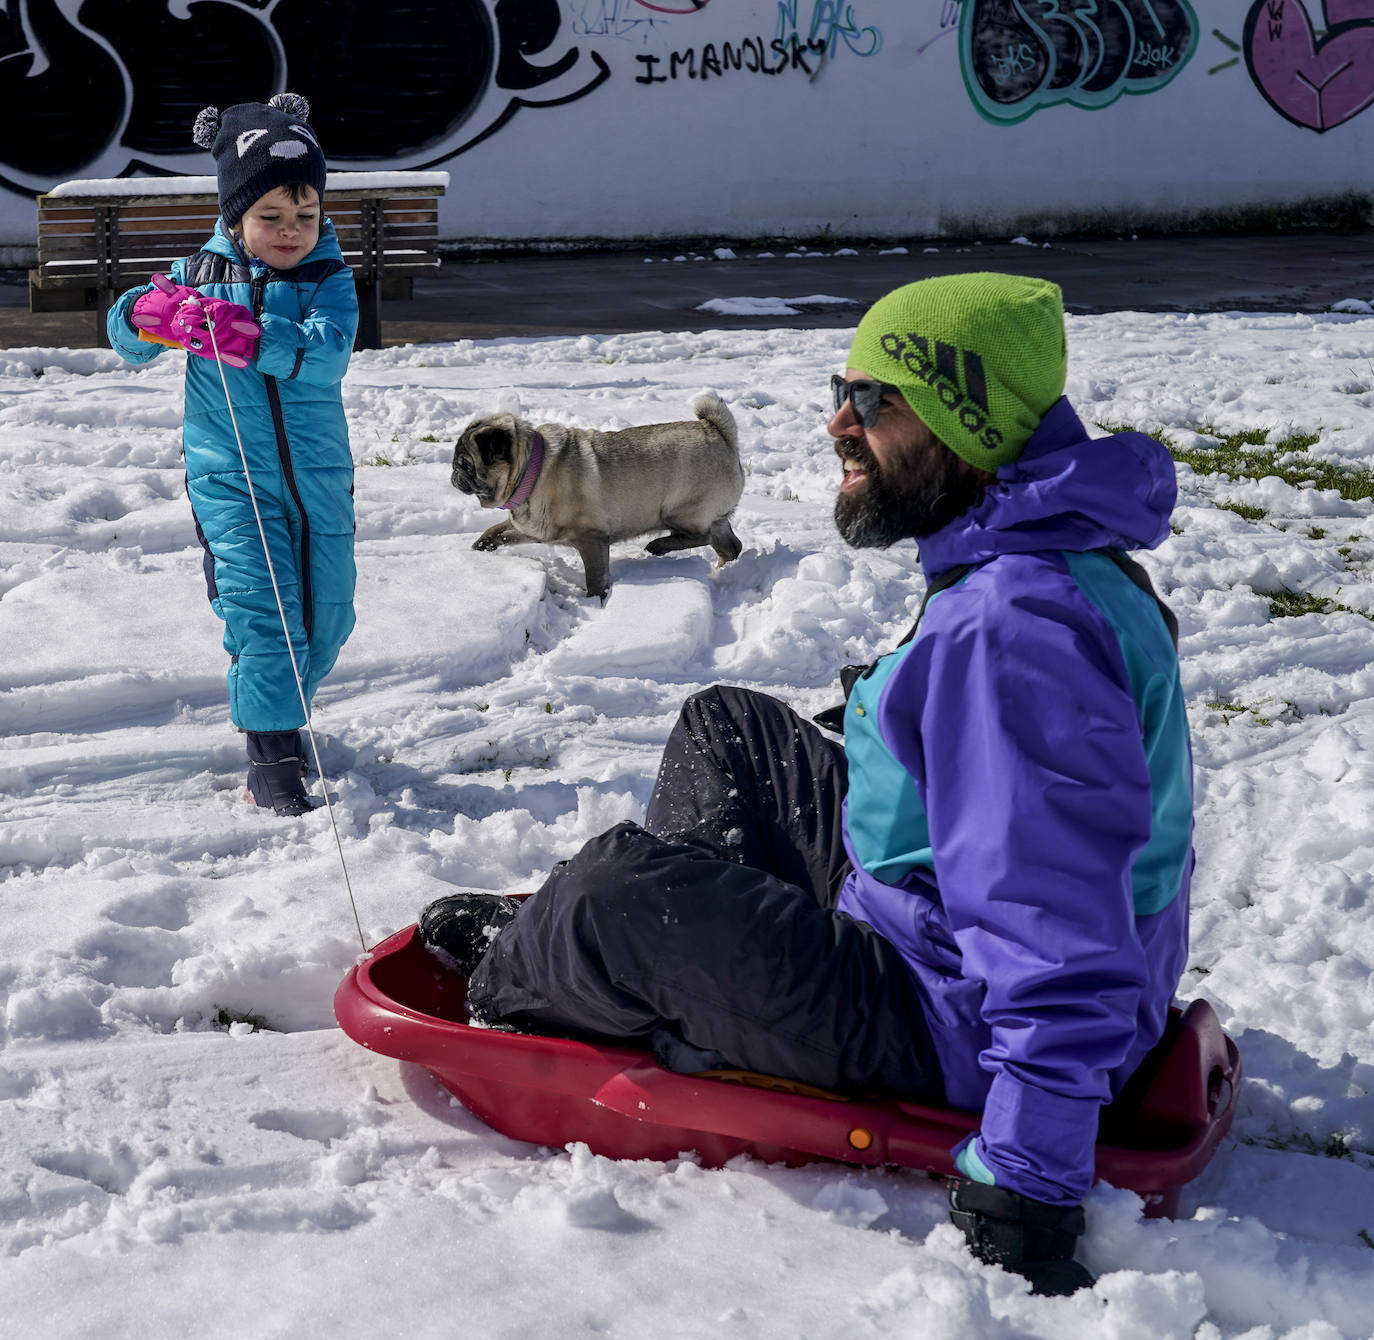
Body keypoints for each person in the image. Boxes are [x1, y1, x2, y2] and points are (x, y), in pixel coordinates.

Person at [420, 273, 1193, 1296]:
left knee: (612, 893)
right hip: (923, 916)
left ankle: (557, 968)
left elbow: (1056, 927)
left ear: (972, 420)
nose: (838, 421)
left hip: (946, 1016)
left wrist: (1031, 1178)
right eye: (844, 387)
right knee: (728, 724)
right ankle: (697, 961)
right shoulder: (1028, 552)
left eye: (875, 401)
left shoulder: (1017, 630)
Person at [108, 94, 358, 816]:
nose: (290, 232)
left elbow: (326, 356)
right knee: (264, 611)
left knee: (328, 614)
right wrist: (148, 317)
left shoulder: (327, 279)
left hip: (317, 479)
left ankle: (281, 710)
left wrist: (250, 337)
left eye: (304, 217)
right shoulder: (199, 274)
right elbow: (124, 334)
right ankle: (273, 756)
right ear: (234, 217)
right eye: (271, 218)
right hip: (230, 480)